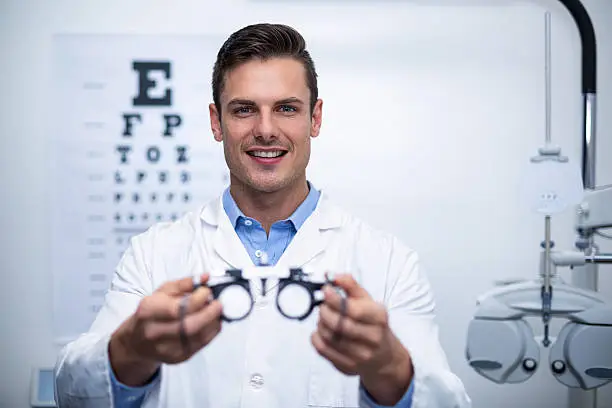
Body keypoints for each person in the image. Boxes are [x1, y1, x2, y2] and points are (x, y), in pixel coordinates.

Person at [54, 23, 471, 408]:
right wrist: (131, 349)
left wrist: (388, 367)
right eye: (244, 109)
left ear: (316, 118)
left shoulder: (389, 263)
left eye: (287, 108)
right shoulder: (153, 255)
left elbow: (446, 400)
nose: (266, 129)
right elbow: (73, 394)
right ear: (217, 122)